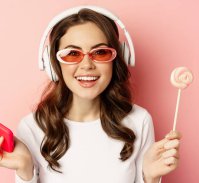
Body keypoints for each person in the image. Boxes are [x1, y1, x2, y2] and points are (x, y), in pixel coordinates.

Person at [0, 7, 181, 183]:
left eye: (100, 52)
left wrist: (149, 178)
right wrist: (25, 170)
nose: (87, 65)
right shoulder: (32, 127)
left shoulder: (139, 121)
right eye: (72, 54)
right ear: (52, 63)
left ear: (118, 58)